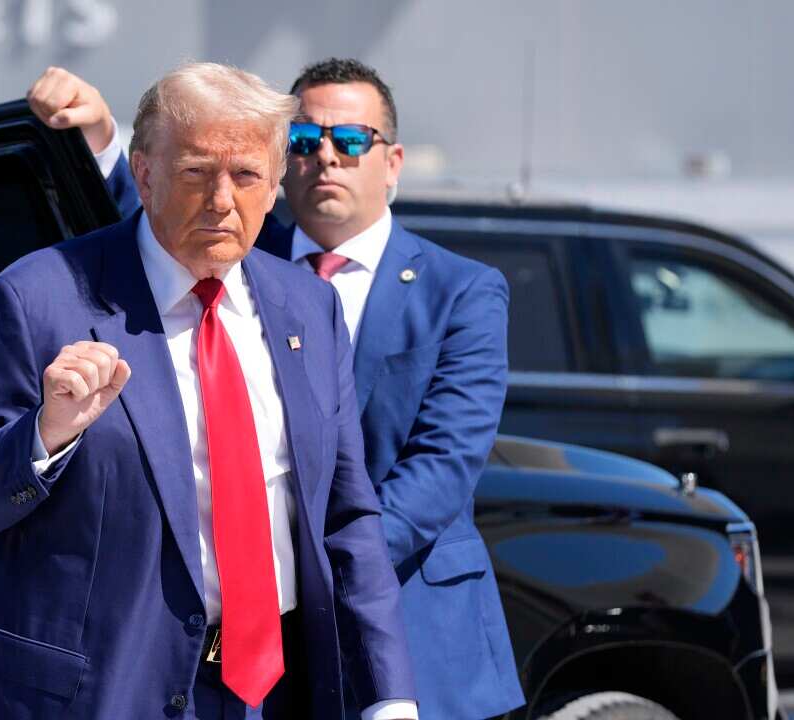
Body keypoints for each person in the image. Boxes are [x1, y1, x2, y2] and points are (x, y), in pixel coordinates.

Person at [30, 58, 524, 719]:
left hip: (409, 621)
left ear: (394, 162)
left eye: (351, 141)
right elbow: (154, 219)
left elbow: (444, 464)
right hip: (262, 640)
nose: (325, 158)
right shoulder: (232, 256)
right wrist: (100, 139)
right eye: (303, 141)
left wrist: (325, 566)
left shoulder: (460, 290)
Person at [0, 62, 418, 719]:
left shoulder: (307, 307)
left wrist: (388, 695)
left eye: (245, 175)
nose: (222, 200)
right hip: (98, 694)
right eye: (195, 172)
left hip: (271, 696)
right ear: (146, 172)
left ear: (274, 185)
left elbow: (347, 518)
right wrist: (46, 434)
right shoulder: (36, 299)